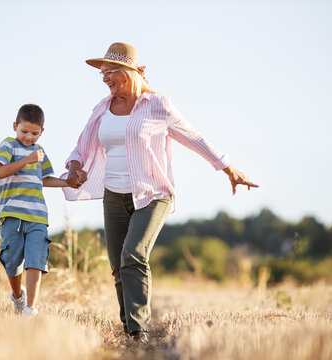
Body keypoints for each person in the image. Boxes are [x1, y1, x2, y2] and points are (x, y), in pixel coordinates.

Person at [62, 42, 259, 343]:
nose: (104, 80)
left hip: (153, 195)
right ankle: (129, 330)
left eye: (108, 74)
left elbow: (194, 137)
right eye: (102, 75)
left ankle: (139, 331)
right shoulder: (102, 109)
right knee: (118, 267)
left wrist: (228, 168)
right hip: (114, 195)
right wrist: (75, 168)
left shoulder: (158, 105)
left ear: (126, 72)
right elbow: (81, 148)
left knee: (133, 255)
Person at [0, 104, 70, 316]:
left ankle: (30, 309)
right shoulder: (8, 145)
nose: (28, 137)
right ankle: (18, 296)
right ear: (15, 126)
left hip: (37, 216)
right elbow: (1, 172)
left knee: (36, 259)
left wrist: (68, 182)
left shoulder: (40, 152)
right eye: (24, 131)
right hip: (12, 215)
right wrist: (27, 160)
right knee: (12, 261)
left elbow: (45, 179)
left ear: (42, 132)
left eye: (34, 133)